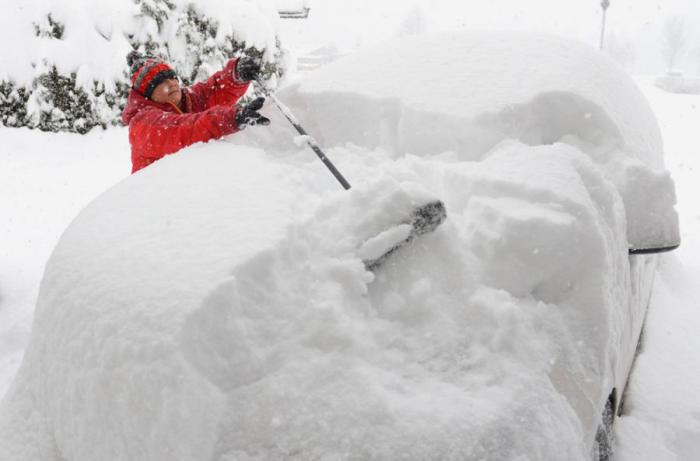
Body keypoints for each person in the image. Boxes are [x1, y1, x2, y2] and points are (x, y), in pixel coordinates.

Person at [121, 50, 270, 173]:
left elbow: (214, 90)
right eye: (160, 82)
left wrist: (236, 75)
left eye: (172, 77)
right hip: (157, 199)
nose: (171, 83)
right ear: (148, 94)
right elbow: (183, 130)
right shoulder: (142, 124)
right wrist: (231, 118)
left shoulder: (187, 99)